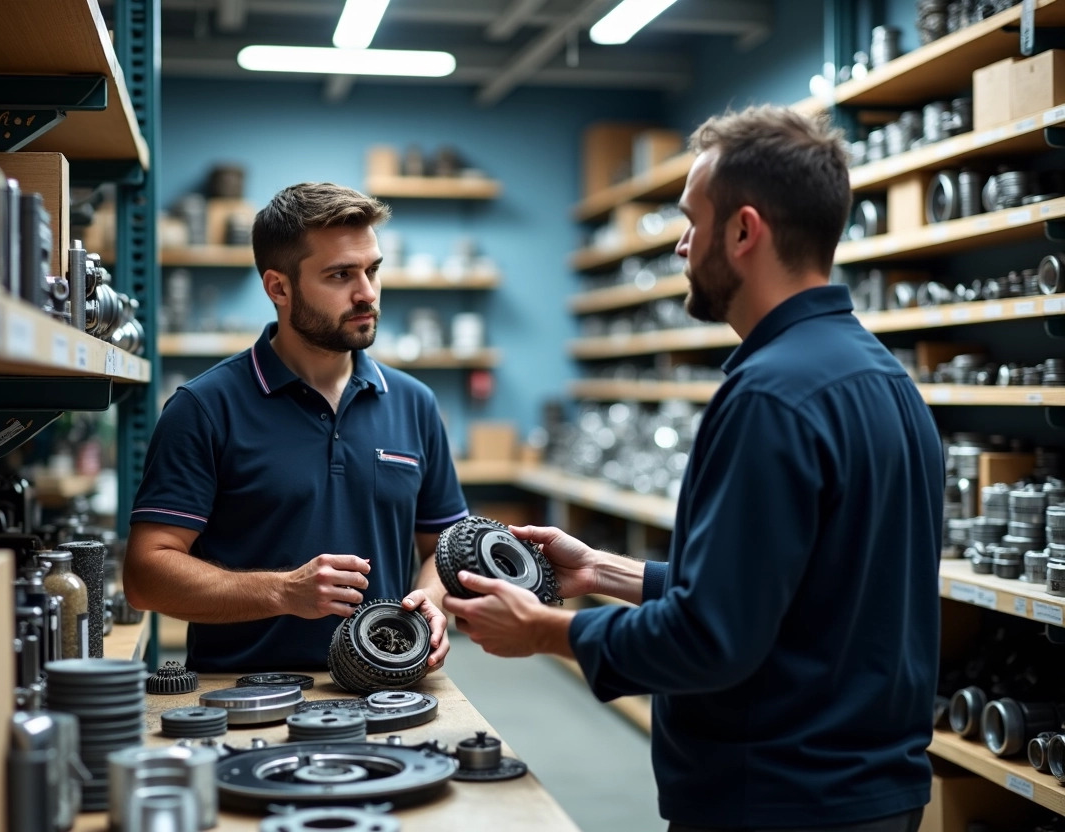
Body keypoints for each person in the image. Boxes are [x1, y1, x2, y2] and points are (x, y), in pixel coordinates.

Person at [445, 106, 943, 831]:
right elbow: (798, 596)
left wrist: (548, 630)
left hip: (776, 801)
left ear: (743, 231)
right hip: (870, 795)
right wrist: (604, 574)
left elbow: (710, 641)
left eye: (691, 220)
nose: (680, 244)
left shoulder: (770, 395)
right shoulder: (885, 381)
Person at [124, 182, 469, 673]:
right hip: (242, 696)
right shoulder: (202, 408)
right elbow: (146, 575)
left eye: (372, 270)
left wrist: (430, 597)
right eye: (340, 275)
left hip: (390, 689)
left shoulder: (414, 402)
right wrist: (284, 592)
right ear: (278, 288)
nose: (366, 293)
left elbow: (443, 546)